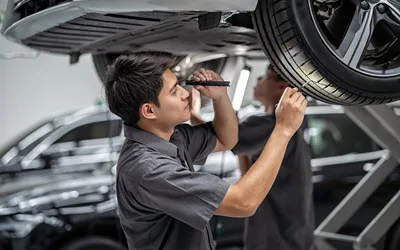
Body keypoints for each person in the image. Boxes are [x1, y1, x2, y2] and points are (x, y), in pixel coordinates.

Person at [104, 51, 307, 250]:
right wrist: (283, 130)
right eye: (174, 91)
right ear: (149, 111)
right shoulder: (149, 169)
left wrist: (220, 98)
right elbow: (244, 202)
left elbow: (226, 139)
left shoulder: (173, 138)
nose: (186, 93)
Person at [232, 65, 315, 250]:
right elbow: (248, 177)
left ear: (282, 87)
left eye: (263, 77)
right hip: (292, 239)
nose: (257, 81)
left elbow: (219, 139)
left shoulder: (269, 125)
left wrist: (211, 103)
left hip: (275, 240)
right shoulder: (290, 128)